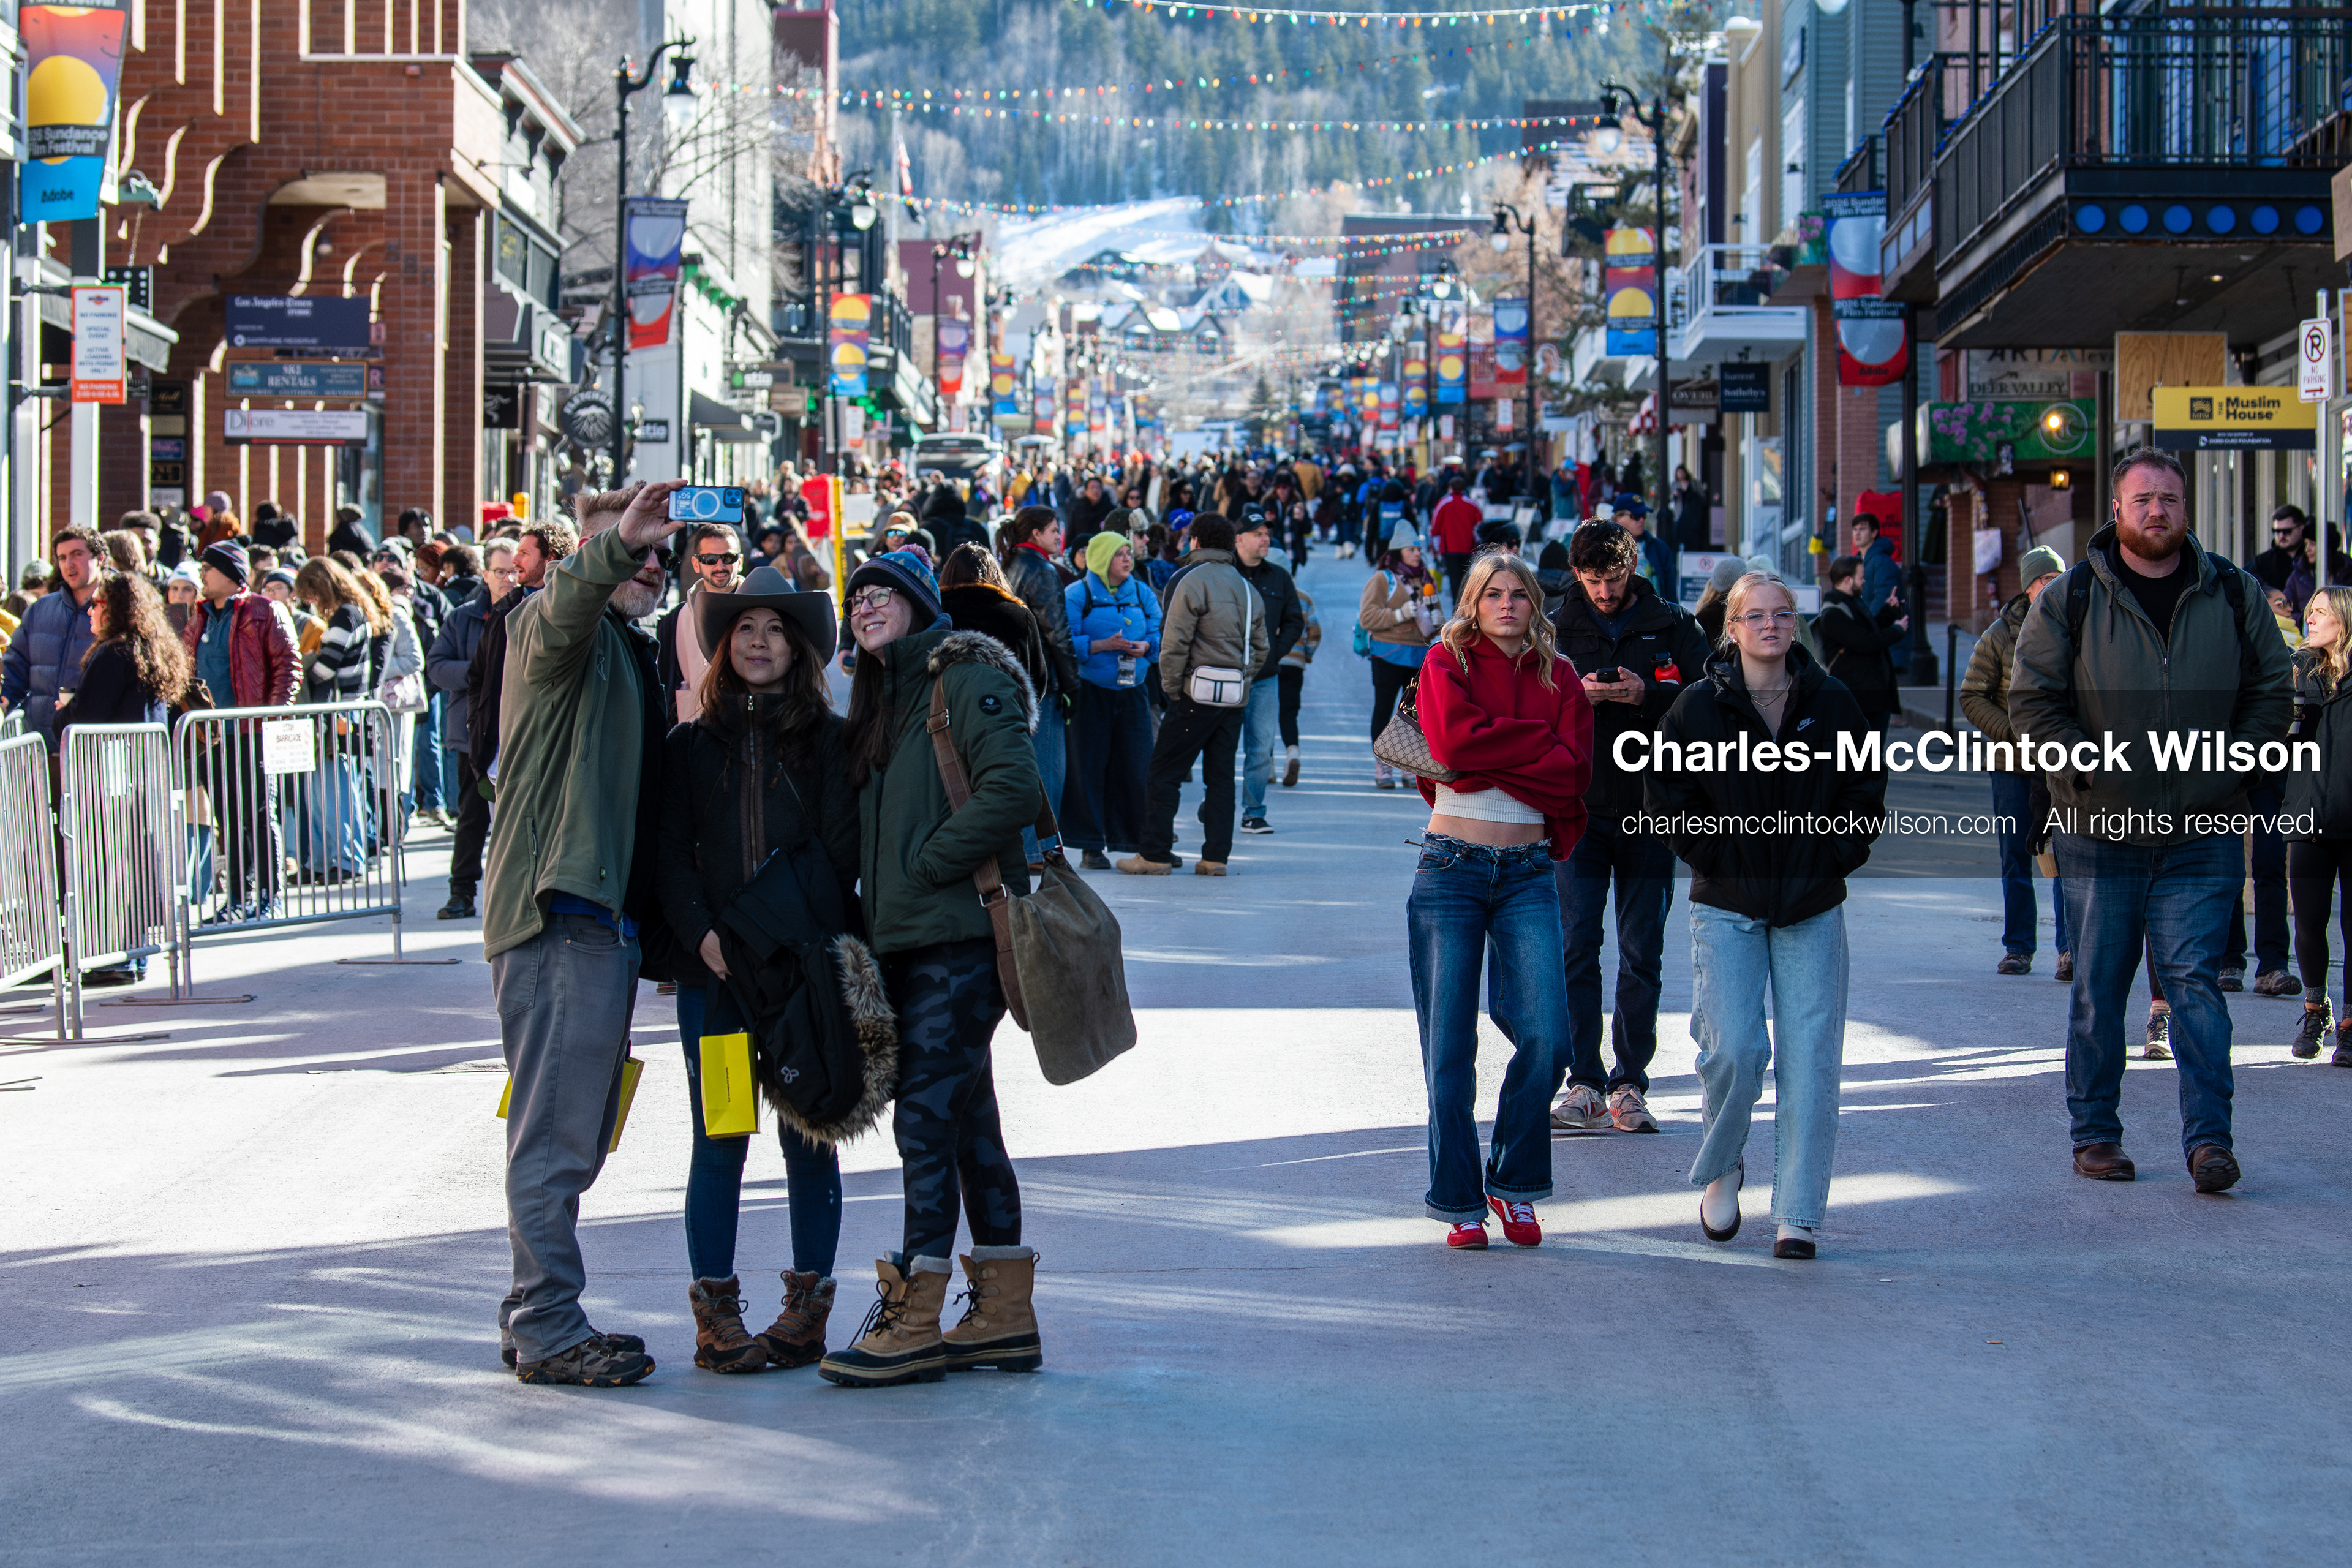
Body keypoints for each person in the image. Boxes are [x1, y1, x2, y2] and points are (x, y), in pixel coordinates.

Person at [2008, 447, 2294, 1193]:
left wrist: (2239, 759)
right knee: (2101, 986)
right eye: (2143, 499)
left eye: (2169, 498)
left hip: (2203, 829)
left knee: (2196, 985)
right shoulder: (2069, 597)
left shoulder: (2231, 591)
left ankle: (2209, 1143)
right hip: (2101, 830)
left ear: (2186, 508)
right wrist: (2079, 766)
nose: (2157, 511)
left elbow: (2273, 687)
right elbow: (2032, 700)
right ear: (2118, 511)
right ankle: (2097, 1134)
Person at [818, 548, 1045, 1389]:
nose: (867, 606)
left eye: (883, 594)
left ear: (919, 605)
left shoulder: (962, 678)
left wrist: (922, 866)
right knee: (967, 1124)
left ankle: (914, 1315)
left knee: (922, 1121)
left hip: (959, 941)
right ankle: (1003, 1314)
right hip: (912, 945)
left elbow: (1013, 788)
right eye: (857, 599)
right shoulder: (890, 696)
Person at [484, 479, 688, 1387]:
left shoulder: (626, 647)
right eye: (629, 549)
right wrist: (609, 547)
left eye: (658, 551)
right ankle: (548, 1323)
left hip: (598, 923)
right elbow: (563, 603)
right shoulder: (550, 627)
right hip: (559, 916)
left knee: (572, 1128)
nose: (650, 561)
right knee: (558, 1137)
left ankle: (532, 1309)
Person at [656, 565, 859, 1375]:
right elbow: (669, 857)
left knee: (810, 1140)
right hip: (716, 985)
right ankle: (716, 1313)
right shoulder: (687, 746)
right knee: (723, 1136)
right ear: (722, 645)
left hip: (802, 982)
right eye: (744, 628)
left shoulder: (833, 743)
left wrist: (773, 938)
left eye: (776, 629)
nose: (758, 641)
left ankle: (807, 1311)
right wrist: (706, 938)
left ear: (801, 647)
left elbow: (838, 855)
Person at [1650, 571, 1883, 1257]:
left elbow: (1865, 790)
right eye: (1756, 615)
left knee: (1811, 1062)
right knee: (1733, 1049)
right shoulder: (1697, 708)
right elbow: (1666, 793)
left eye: (1783, 614)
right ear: (1732, 627)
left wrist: (1833, 856)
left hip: (1812, 905)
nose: (1771, 626)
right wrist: (1713, 853)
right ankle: (1723, 1168)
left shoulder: (1833, 702)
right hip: (1726, 902)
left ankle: (1799, 1212)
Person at [1409, 553, 1592, 1250]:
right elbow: (1451, 742)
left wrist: (1493, 751)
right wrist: (1534, 745)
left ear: (1535, 604)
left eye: (1519, 594)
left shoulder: (1561, 676)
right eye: (1494, 594)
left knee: (1548, 1036)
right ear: (1473, 602)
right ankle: (1458, 1198)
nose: (1508, 604)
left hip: (1526, 869)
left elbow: (1573, 773)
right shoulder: (1444, 661)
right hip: (1449, 867)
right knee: (1449, 1048)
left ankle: (1513, 1180)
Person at [1546, 521, 1712, 1136]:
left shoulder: (1672, 624)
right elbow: (1529, 704)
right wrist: (1575, 699)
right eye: (1592, 581)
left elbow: (1712, 700)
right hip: (1579, 809)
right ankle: (1584, 1079)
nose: (1604, 592)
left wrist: (1648, 696)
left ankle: (1629, 1083)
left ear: (1632, 565)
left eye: (1613, 579)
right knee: (1575, 947)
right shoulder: (1555, 627)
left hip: (1650, 809)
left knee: (1643, 952)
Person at [1123, 513, 1267, 876]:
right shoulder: (1247, 588)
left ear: (1196, 541)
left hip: (1194, 694)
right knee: (1220, 777)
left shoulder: (1187, 580)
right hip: (1233, 696)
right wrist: (1242, 679)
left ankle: (1154, 854)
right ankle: (1215, 858)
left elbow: (1174, 643)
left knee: (1164, 772)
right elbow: (1262, 647)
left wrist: (1174, 688)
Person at [1960, 546, 2069, 976]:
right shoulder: (2001, 634)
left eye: (2059, 577)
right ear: (2029, 586)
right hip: (2011, 765)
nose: (2054, 586)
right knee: (2016, 854)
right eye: (2047, 579)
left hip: (2064, 763)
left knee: (2065, 855)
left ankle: (2069, 948)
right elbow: (1971, 695)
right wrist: (2010, 732)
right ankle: (2019, 946)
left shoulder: (2076, 627)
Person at [179, 542, 300, 923]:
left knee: (261, 814)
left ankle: (269, 896)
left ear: (231, 574)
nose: (201, 575)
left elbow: (288, 666)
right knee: (227, 818)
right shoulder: (198, 616)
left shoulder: (264, 610)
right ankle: (236, 897)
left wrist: (272, 717)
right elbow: (185, 670)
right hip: (211, 734)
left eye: (207, 569)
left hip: (253, 731)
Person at [426, 539, 516, 921]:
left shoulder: (533, 610)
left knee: (518, 820)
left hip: (520, 731)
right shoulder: (463, 618)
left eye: (514, 571)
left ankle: (515, 897)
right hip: (475, 733)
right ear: (485, 574)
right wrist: (481, 674)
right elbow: (436, 666)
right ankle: (462, 892)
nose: (508, 579)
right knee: (472, 815)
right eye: (500, 572)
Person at [1063, 530, 1162, 869]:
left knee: (1137, 766)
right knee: (1089, 767)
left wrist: (1147, 648)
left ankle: (1139, 842)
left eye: (1128, 553)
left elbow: (1158, 630)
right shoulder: (1078, 594)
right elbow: (1064, 642)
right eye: (1119, 553)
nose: (1127, 558)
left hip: (1134, 689)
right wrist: (1101, 646)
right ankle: (1091, 846)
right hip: (1091, 692)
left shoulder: (1142, 591)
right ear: (1102, 558)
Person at [2285, 585, 2352, 1065]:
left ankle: (2350, 1023)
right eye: (2309, 611)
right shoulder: (2296, 670)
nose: (2310, 619)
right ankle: (2315, 1009)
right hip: (2307, 815)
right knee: (2309, 923)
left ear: (2345, 621)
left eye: (2321, 613)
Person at [468, 519, 576, 788]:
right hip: (500, 753)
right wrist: (478, 725)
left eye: (525, 553)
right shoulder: (504, 609)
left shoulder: (570, 610)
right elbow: (479, 675)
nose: (515, 560)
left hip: (551, 758)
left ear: (550, 558)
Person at [290, 559, 379, 883]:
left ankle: (345, 859)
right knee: (328, 790)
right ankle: (329, 859)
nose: (311, 601)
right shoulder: (354, 611)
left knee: (334, 790)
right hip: (342, 711)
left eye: (312, 593)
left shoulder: (346, 615)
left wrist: (298, 667)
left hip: (339, 712)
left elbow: (325, 669)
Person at [1232, 507, 1305, 839]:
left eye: (1267, 533)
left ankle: (1254, 813)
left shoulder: (1278, 576)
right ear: (1239, 539)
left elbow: (1294, 620)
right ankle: (1215, 803)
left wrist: (1273, 652)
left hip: (1265, 677)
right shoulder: (1224, 574)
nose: (1266, 538)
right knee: (1220, 746)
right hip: (1225, 676)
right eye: (1258, 534)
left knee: (1261, 748)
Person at [1, 526, 106, 748]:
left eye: (77, 554)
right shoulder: (39, 610)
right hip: (41, 746)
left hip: (96, 751)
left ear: (100, 558)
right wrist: (4, 703)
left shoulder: (117, 611)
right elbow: (14, 672)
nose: (69, 564)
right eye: (62, 557)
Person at [1358, 522, 1441, 789]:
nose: (1417, 554)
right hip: (1388, 653)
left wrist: (1438, 620)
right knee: (1384, 708)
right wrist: (1399, 614)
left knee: (1413, 713)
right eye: (1411, 549)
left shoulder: (1426, 578)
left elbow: (1434, 608)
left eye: (1418, 549)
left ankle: (1408, 764)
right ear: (1397, 552)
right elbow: (1367, 617)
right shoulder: (1383, 579)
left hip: (1419, 655)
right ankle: (1382, 765)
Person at [654, 521, 744, 726]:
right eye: (710, 559)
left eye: (728, 558)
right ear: (696, 564)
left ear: (739, 561)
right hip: (695, 737)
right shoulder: (676, 620)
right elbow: (667, 686)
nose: (720, 566)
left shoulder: (762, 610)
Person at [1813, 554, 1909, 738]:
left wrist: (1889, 612)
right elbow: (1866, 642)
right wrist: (1897, 631)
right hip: (1859, 697)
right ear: (1848, 580)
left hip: (1872, 696)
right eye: (1861, 577)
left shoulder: (1853, 602)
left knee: (1871, 755)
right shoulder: (1833, 612)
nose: (1864, 581)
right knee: (1860, 755)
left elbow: (1868, 630)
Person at [1849, 512, 1907, 676]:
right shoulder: (1857, 561)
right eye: (1855, 529)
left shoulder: (1882, 561)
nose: (1857, 533)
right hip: (1870, 636)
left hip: (1884, 638)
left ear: (1874, 533)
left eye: (1862, 529)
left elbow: (1884, 595)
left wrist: (1868, 624)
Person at [1276, 586, 1319, 791]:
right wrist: (1306, 653)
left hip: (1267, 663)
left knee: (1262, 713)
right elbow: (1315, 631)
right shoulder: (1303, 597)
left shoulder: (1259, 591)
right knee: (1289, 712)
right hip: (1294, 664)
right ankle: (1292, 752)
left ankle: (1265, 765)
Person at [1429, 475, 1482, 604]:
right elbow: (1480, 527)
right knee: (1466, 578)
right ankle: (1466, 604)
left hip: (1449, 548)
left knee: (1454, 578)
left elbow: (1435, 527)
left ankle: (1457, 605)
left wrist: (1436, 550)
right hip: (1468, 547)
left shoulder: (1443, 503)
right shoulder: (1473, 504)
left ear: (1450, 488)